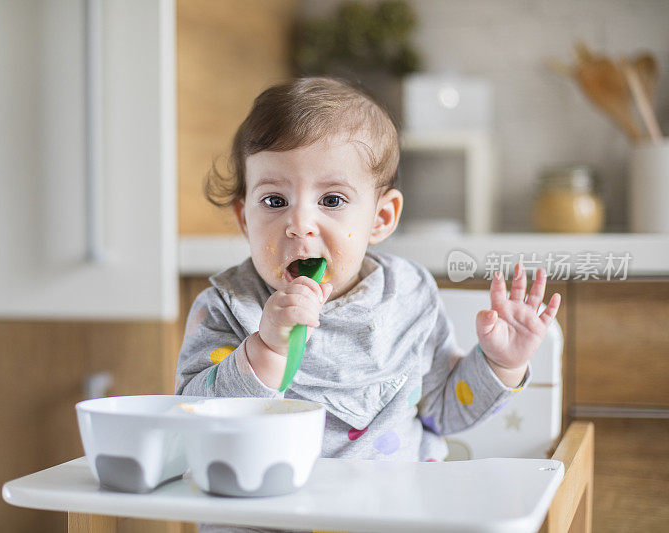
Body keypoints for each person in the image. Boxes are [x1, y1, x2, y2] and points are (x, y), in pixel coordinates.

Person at [175, 77, 560, 527]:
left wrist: (499, 364)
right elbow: (192, 423)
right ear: (245, 217)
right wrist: (265, 349)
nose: (299, 224)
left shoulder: (409, 296)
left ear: (381, 218)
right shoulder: (225, 306)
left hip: (396, 516)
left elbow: (443, 411)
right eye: (275, 200)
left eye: (332, 199)